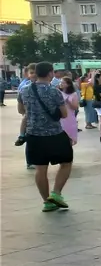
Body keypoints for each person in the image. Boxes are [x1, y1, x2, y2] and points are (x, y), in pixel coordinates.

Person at [19, 62, 73, 211]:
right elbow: (64, 114)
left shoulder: (24, 90)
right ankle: (56, 193)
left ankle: (46, 202)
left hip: (34, 135)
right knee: (66, 163)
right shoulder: (54, 92)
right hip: (54, 134)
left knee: (40, 169)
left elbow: (20, 110)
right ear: (50, 73)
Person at [58, 76, 79, 145]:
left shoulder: (73, 94)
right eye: (60, 82)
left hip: (69, 117)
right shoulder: (58, 93)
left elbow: (75, 107)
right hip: (60, 117)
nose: (61, 84)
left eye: (63, 83)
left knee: (69, 136)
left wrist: (68, 102)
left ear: (68, 84)